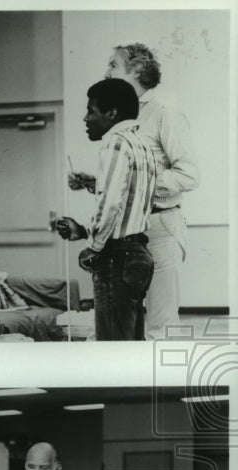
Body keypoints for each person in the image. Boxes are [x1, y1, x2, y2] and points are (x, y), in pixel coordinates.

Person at [83, 44, 198, 340]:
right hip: (132, 231)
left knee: (158, 325)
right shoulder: (124, 115)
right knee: (128, 325)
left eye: (113, 65)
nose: (106, 71)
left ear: (135, 70)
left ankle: (161, 386)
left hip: (160, 225)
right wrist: (97, 180)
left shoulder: (164, 113)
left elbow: (189, 174)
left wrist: (141, 181)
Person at [57, 78, 157, 340]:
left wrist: (94, 246)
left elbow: (112, 202)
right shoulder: (142, 144)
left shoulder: (115, 143)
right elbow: (129, 197)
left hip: (116, 257)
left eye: (91, 110)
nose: (85, 118)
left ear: (112, 113)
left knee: (113, 350)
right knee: (131, 348)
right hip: (138, 253)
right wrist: (92, 182)